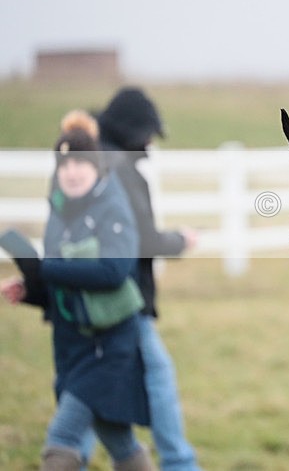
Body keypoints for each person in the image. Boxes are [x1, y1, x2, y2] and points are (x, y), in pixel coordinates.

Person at [1, 111, 154, 470]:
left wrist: (44, 269)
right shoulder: (59, 210)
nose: (71, 172)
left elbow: (114, 271)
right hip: (71, 346)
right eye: (64, 165)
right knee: (119, 441)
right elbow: (67, 278)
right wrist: (32, 289)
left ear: (95, 166)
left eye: (80, 164)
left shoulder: (112, 206)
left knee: (63, 438)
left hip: (109, 346)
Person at [84, 86, 201, 471]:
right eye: (148, 132)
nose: (151, 140)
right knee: (158, 379)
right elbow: (143, 239)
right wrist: (180, 240)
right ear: (133, 130)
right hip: (125, 298)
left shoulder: (92, 162)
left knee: (92, 384)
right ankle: (179, 463)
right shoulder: (123, 171)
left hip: (93, 296)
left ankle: (85, 455)